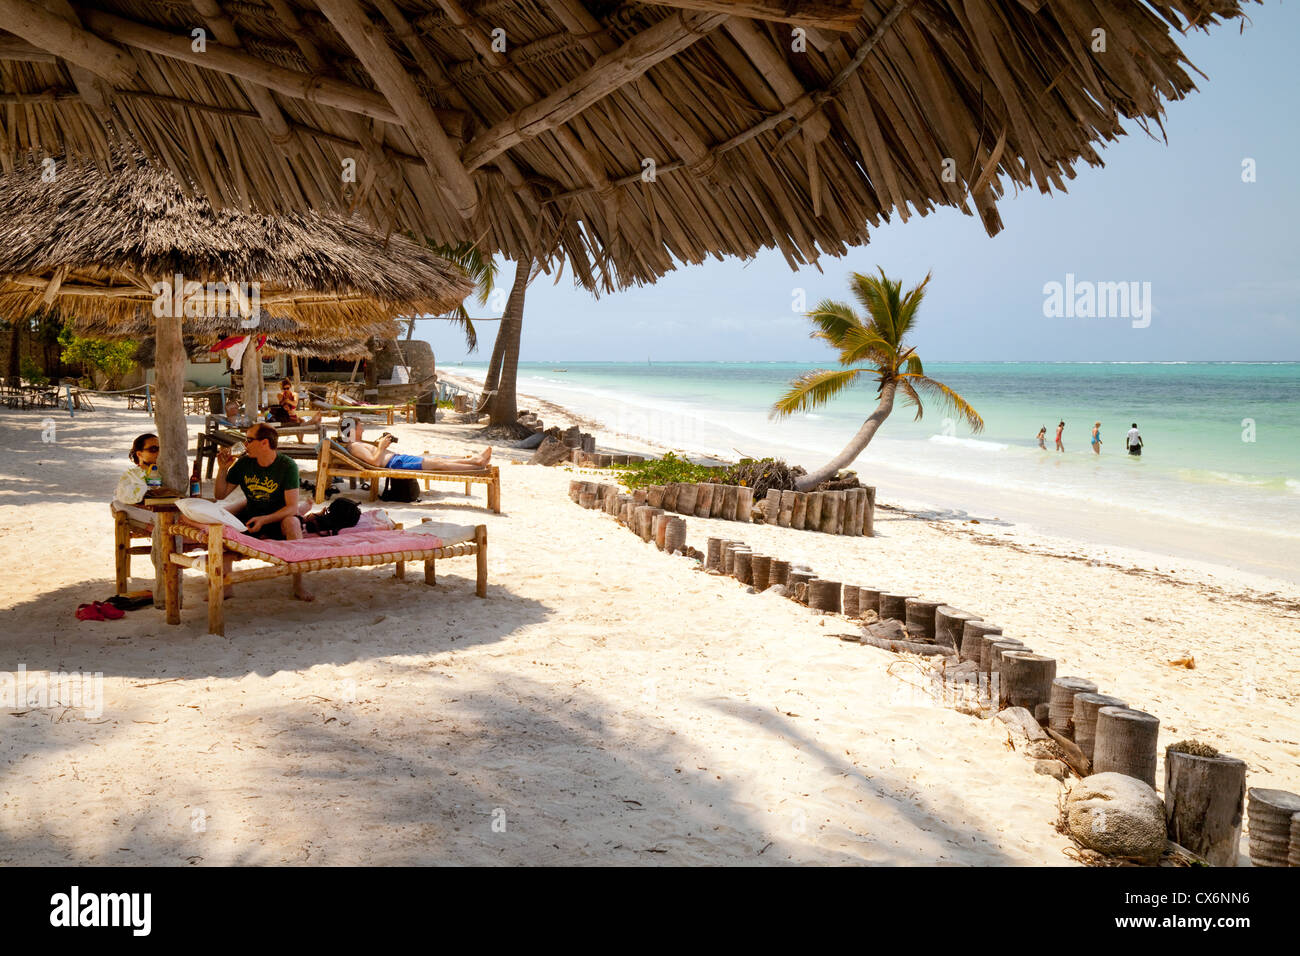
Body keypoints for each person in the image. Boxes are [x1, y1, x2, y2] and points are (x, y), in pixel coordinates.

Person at [215, 423, 313, 601]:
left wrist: (264, 520)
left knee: (292, 521)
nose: (245, 444)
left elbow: (291, 507)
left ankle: (299, 584)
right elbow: (220, 494)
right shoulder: (244, 463)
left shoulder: (286, 466)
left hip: (278, 518)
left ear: (264, 443)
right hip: (252, 517)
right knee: (223, 526)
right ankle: (226, 587)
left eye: (249, 440)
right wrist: (222, 469)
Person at [345, 422, 491, 473]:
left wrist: (380, 445)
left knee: (436, 460)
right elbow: (375, 462)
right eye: (360, 427)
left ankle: (474, 460)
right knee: (438, 464)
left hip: (398, 460)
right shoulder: (355, 446)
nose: (363, 429)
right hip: (395, 463)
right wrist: (381, 447)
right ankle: (477, 466)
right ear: (352, 430)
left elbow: (374, 457)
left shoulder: (358, 443)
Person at [114, 433, 161, 505]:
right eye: (153, 449)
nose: (159, 452)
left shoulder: (169, 472)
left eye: (161, 448)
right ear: (139, 454)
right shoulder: (131, 475)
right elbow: (126, 497)